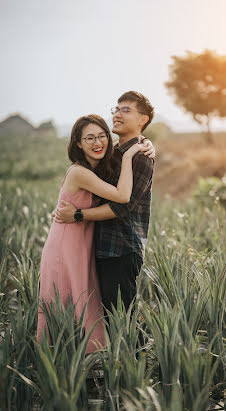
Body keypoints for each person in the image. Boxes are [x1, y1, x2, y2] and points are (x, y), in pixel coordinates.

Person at [37, 113, 153, 353]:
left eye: (102, 136)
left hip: (83, 242)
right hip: (67, 243)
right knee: (66, 301)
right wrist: (131, 154)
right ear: (78, 143)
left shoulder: (98, 167)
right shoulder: (80, 172)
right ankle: (58, 361)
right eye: (89, 138)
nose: (97, 142)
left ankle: (86, 363)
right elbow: (122, 196)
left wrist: (145, 144)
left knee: (86, 301)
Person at [54, 91, 155, 323]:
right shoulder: (114, 153)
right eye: (116, 110)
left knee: (122, 322)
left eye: (125, 110)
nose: (117, 115)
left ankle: (135, 360)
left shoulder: (141, 156)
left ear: (143, 119)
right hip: (100, 248)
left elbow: (123, 207)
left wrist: (78, 215)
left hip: (121, 249)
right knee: (107, 319)